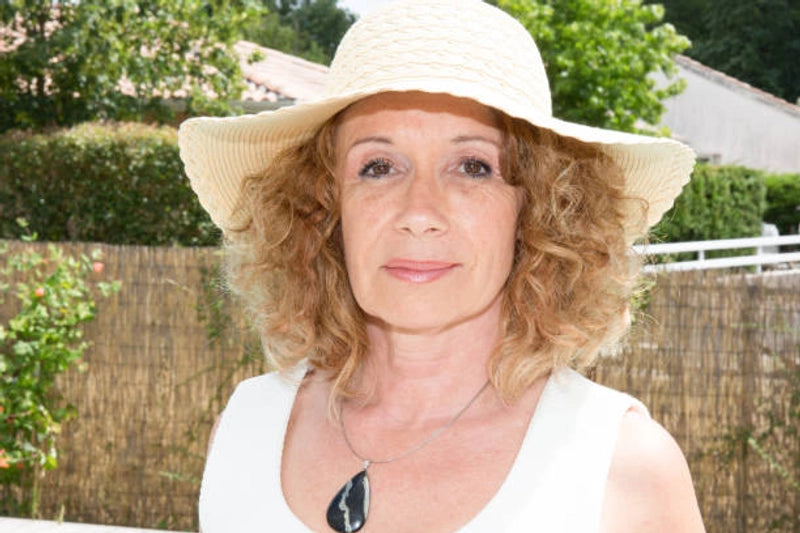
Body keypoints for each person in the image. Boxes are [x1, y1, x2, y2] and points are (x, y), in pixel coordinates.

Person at [178, 0, 705, 531]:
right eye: (378, 167)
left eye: (473, 167)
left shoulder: (622, 469)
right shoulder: (245, 433)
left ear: (540, 211)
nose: (419, 214)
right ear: (323, 207)